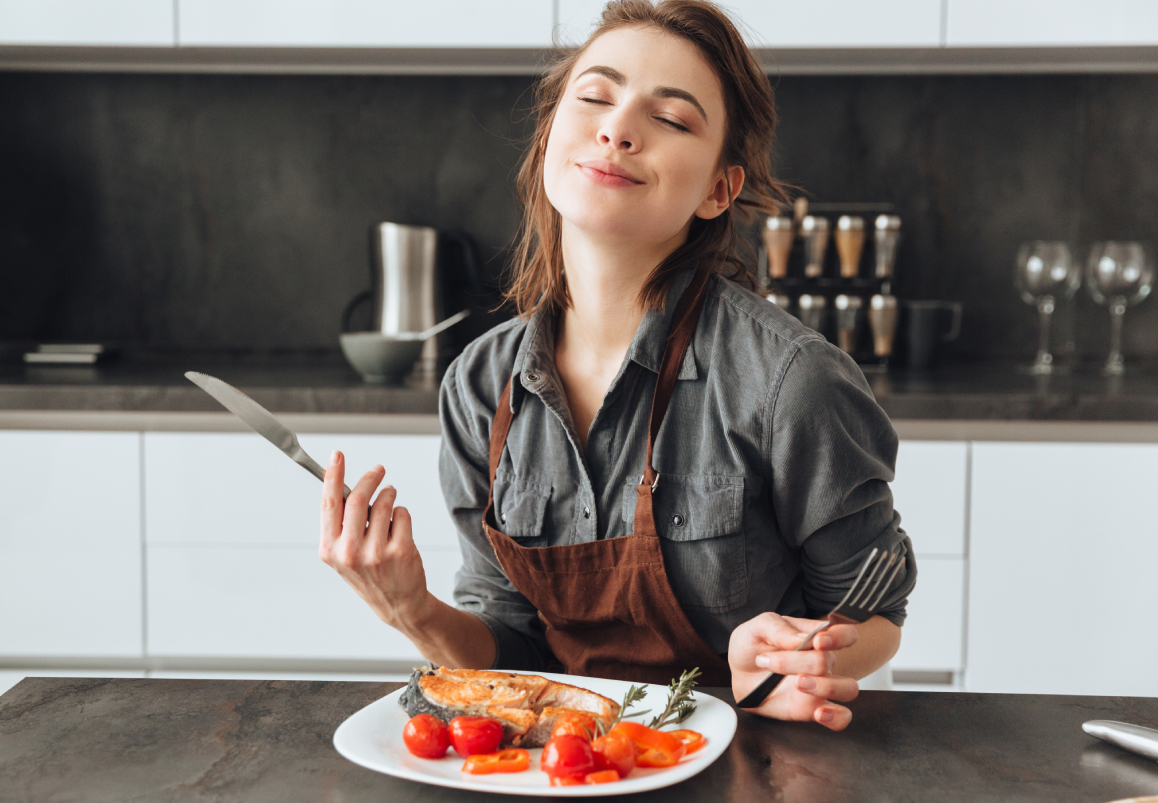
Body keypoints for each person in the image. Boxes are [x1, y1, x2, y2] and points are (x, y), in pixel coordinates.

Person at [319, 0, 916, 731]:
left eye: (670, 119)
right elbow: (505, 652)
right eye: (595, 97)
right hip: (561, 765)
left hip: (749, 760)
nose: (617, 129)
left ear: (717, 190)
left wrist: (799, 658)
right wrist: (410, 608)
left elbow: (876, 610)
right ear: (548, 139)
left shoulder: (792, 382)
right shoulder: (479, 388)